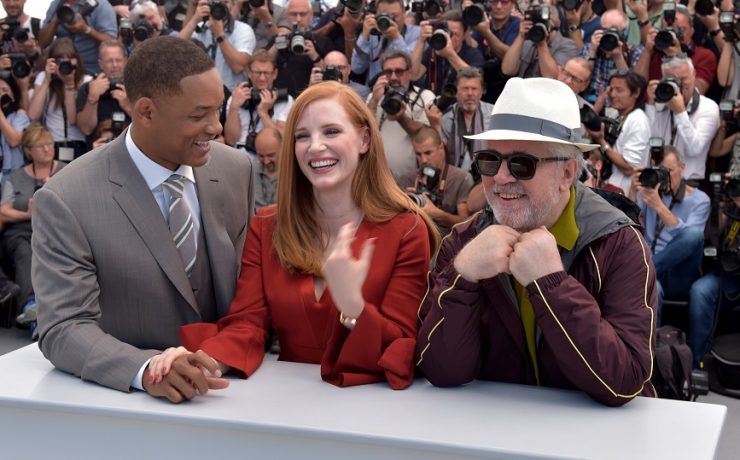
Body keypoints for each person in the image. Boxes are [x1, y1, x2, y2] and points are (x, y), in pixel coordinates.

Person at [147, 81, 439, 391]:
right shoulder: (267, 225)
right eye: (302, 136)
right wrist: (203, 362)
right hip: (283, 405)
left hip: (369, 408)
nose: (314, 146)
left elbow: (400, 347)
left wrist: (353, 306)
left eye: (331, 132)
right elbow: (247, 324)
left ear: (364, 139)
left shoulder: (407, 229)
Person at [32, 36, 254, 402]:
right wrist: (146, 369)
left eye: (219, 109)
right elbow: (64, 327)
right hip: (128, 413)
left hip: (236, 397)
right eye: (199, 115)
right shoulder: (66, 199)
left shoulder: (235, 168)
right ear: (146, 112)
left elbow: (249, 294)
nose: (216, 127)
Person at [416, 77, 657, 406]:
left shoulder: (618, 243)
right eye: (489, 161)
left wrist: (551, 284)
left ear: (568, 173)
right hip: (493, 437)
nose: (501, 178)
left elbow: (625, 381)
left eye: (522, 164)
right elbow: (442, 371)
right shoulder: (463, 242)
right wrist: (463, 277)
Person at [1, 124, 66, 331]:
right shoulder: (16, 177)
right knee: (25, 250)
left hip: (57, 230)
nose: (47, 149)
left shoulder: (66, 171)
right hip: (22, 230)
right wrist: (27, 214)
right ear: (29, 151)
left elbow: (80, 204)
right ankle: (32, 308)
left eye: (49, 144)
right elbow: (3, 211)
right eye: (40, 146)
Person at [629, 147, 710, 311]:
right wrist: (633, 191)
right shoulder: (649, 192)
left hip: (679, 271)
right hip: (652, 272)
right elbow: (631, 227)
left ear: (682, 168)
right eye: (660, 171)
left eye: (669, 171)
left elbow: (690, 241)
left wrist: (659, 206)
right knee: (653, 290)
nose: (663, 176)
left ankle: (645, 270)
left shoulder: (700, 199)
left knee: (694, 234)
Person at [688, 175, 740, 368]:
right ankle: (695, 362)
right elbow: (712, 235)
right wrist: (723, 203)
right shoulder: (733, 206)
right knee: (700, 291)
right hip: (729, 275)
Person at [645, 55, 720, 182]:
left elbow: (694, 148)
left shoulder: (708, 107)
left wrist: (680, 112)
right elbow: (649, 139)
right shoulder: (661, 104)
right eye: (673, 80)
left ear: (694, 74)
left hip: (689, 184)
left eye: (683, 79)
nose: (678, 85)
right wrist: (651, 104)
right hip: (658, 181)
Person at [368, 50, 435, 182]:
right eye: (388, 72)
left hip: (413, 179)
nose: (393, 77)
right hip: (379, 178)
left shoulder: (425, 97)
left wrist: (401, 117)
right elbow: (363, 131)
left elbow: (425, 136)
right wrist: (375, 101)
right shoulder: (374, 97)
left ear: (409, 73)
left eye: (399, 72)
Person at [585, 70, 650, 195]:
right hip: (610, 187)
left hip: (625, 193)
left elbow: (629, 167)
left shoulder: (638, 120)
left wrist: (601, 141)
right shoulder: (616, 115)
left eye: (619, 90)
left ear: (636, 92)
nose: (613, 94)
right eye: (611, 90)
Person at [399, 126, 473, 236]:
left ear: (441, 148)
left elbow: (466, 223)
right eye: (418, 154)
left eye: (428, 153)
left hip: (448, 244)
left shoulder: (461, 178)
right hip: (416, 240)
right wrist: (406, 204)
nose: (423, 160)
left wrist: (438, 214)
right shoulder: (406, 180)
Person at [28, 37, 91, 161]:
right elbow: (33, 115)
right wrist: (47, 80)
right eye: (60, 60)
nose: (65, 63)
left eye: (70, 58)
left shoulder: (86, 81)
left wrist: (69, 85)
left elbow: (72, 120)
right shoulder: (44, 77)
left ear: (77, 60)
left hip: (79, 145)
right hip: (52, 145)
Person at [223, 49, 294, 149]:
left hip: (270, 155)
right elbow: (231, 140)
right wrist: (234, 108)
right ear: (249, 73)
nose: (262, 78)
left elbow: (283, 139)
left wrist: (263, 113)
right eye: (257, 73)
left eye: (266, 73)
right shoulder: (237, 98)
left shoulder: (286, 101)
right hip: (241, 153)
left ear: (274, 74)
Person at [180, 0, 256, 92]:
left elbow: (238, 67)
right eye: (216, 3)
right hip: (202, 92)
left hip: (232, 95)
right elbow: (174, 48)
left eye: (225, 2)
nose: (221, 6)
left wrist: (219, 34)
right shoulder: (201, 27)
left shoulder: (243, 30)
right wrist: (195, 19)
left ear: (233, 5)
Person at [76, 40, 132, 148]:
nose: (115, 65)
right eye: (109, 61)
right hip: (98, 152)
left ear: (125, 61)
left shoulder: (137, 87)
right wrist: (92, 98)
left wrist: (128, 106)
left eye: (118, 60)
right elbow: (86, 129)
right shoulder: (88, 88)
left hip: (131, 153)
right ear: (101, 64)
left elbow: (151, 126)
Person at [440, 67, 494, 176]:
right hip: (454, 178)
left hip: (486, 176)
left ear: (481, 91)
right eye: (465, 88)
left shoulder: (494, 114)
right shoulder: (445, 117)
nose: (470, 93)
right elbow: (441, 154)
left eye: (474, 89)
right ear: (456, 92)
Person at [38, 0, 118, 74]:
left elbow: (111, 42)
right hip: (62, 68)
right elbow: (42, 43)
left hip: (91, 69)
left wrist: (86, 30)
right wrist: (56, 19)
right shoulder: (56, 4)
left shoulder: (100, 5)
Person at [0, 74, 30, 184]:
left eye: (4, 90)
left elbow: (14, 140)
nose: (1, 94)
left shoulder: (19, 115)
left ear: (13, 92)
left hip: (13, 176)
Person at [252, 126, 281, 210]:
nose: (266, 161)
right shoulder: (249, 171)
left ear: (283, 148)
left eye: (270, 155)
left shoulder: (295, 173)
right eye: (261, 156)